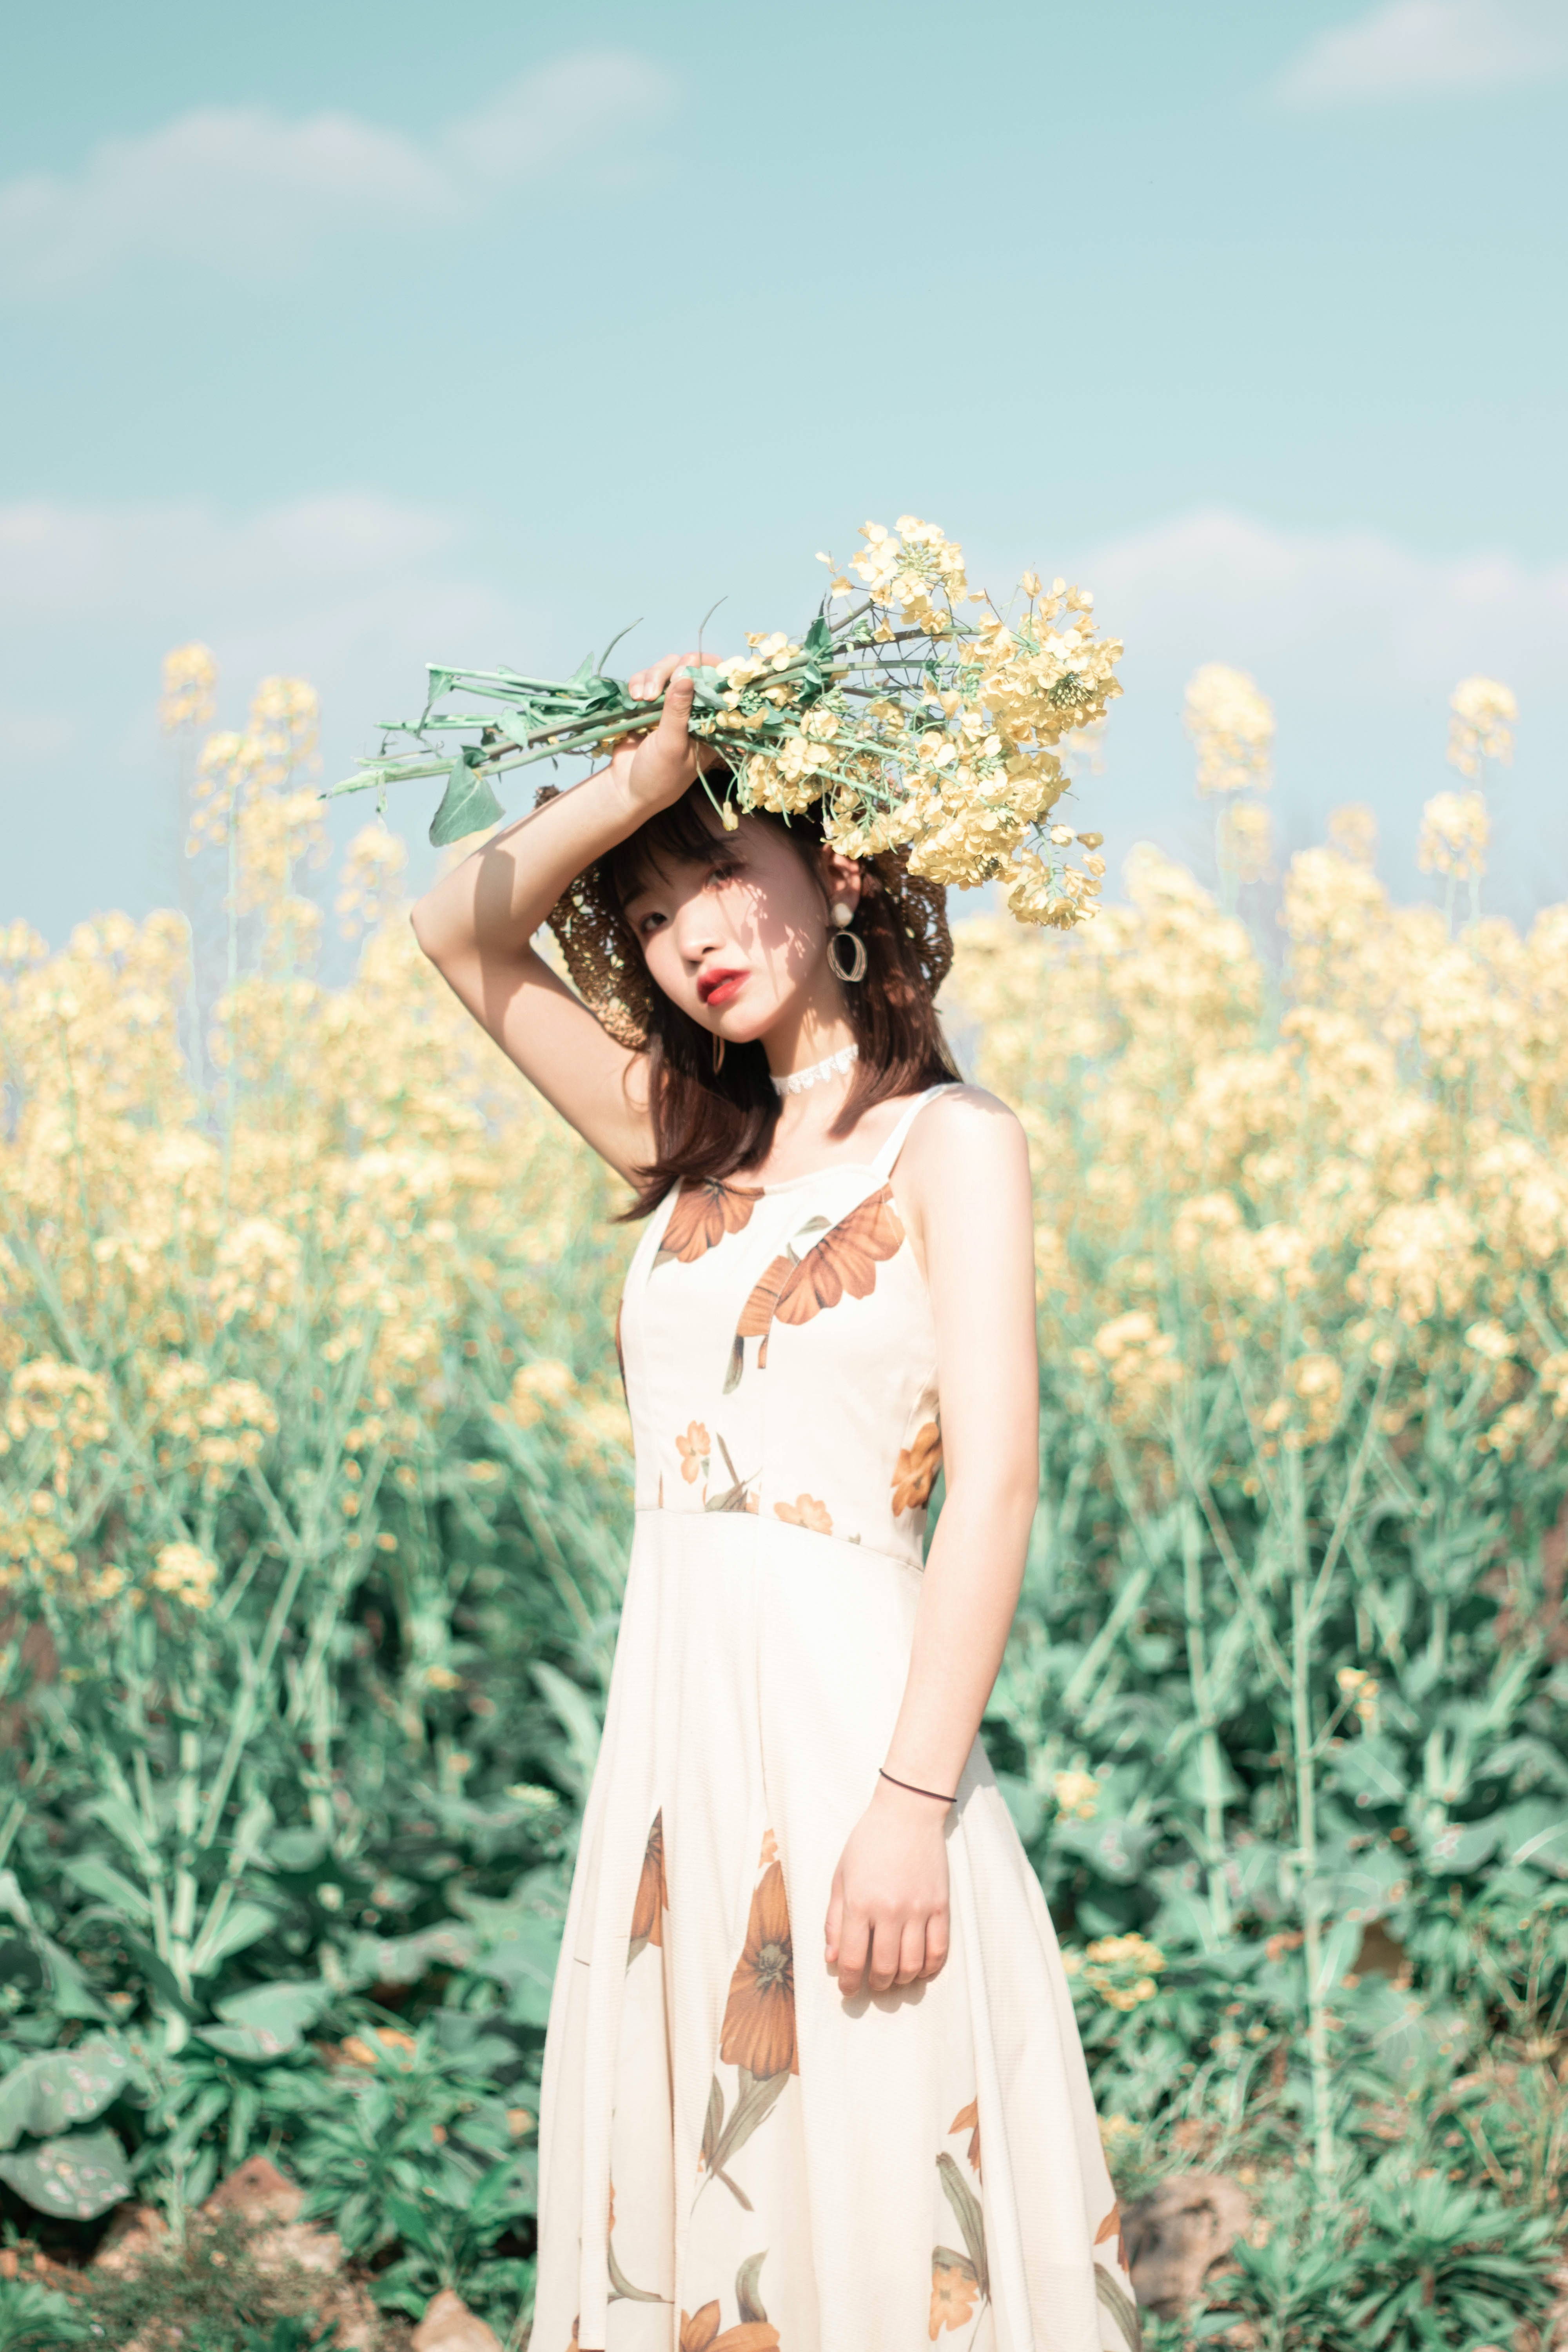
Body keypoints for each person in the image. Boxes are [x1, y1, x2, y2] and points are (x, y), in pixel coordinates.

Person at [411, 654, 1136, 2352]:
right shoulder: (676, 1132)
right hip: (678, 1742)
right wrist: (644, 785)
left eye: (727, 873)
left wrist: (910, 1800)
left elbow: (999, 1483)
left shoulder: (952, 1140)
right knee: (714, 2198)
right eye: (654, 916)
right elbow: (455, 932)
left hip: (858, 1735)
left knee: (885, 2173)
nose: (695, 934)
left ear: (843, 873)